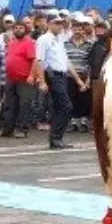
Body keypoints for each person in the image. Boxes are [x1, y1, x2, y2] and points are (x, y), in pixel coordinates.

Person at [33, 13, 79, 150]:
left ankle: (56, 139)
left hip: (62, 75)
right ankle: (56, 138)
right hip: (52, 75)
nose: (60, 26)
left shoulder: (59, 39)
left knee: (59, 107)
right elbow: (39, 60)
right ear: (48, 23)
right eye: (57, 23)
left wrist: (77, 79)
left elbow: (66, 61)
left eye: (61, 23)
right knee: (65, 106)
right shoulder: (44, 39)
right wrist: (42, 81)